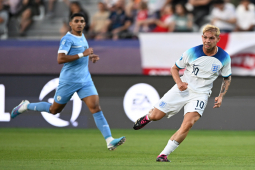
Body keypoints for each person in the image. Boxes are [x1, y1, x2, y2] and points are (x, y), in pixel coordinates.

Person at [11, 13, 126, 151]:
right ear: (70, 24)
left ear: (84, 24)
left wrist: (90, 57)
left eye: (82, 21)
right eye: (76, 21)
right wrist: (83, 54)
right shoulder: (67, 39)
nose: (79, 23)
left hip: (85, 80)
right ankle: (26, 106)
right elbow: (60, 59)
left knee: (96, 108)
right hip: (69, 81)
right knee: (54, 110)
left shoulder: (82, 36)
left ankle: (109, 140)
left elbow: (81, 55)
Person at [133, 24, 232, 162]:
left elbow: (227, 78)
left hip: (201, 94)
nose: (207, 41)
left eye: (211, 38)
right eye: (205, 37)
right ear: (202, 37)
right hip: (183, 89)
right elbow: (174, 68)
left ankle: (163, 154)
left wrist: (221, 96)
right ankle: (148, 117)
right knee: (156, 116)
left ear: (218, 39)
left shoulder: (224, 57)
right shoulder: (191, 52)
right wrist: (179, 83)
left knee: (188, 124)